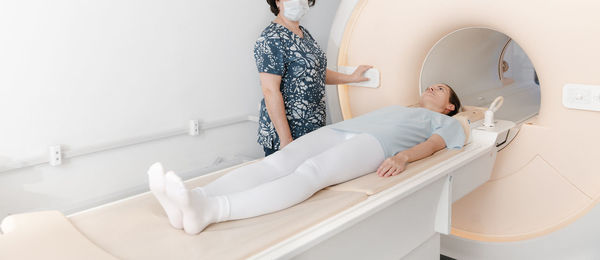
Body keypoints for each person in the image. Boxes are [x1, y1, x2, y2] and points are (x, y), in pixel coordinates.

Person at [148, 83, 464, 235]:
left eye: (442, 90)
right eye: (433, 84)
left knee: (309, 172)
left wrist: (404, 157)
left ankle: (211, 211)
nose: (433, 87)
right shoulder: (401, 108)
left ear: (449, 107)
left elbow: (435, 146)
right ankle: (193, 199)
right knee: (278, 162)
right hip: (343, 130)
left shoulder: (447, 122)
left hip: (376, 145)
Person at [256, 0, 372, 156]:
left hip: (312, 130)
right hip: (287, 136)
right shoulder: (271, 38)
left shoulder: (303, 33)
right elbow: (270, 91)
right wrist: (286, 140)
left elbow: (315, 72)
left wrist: (351, 78)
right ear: (277, 2)